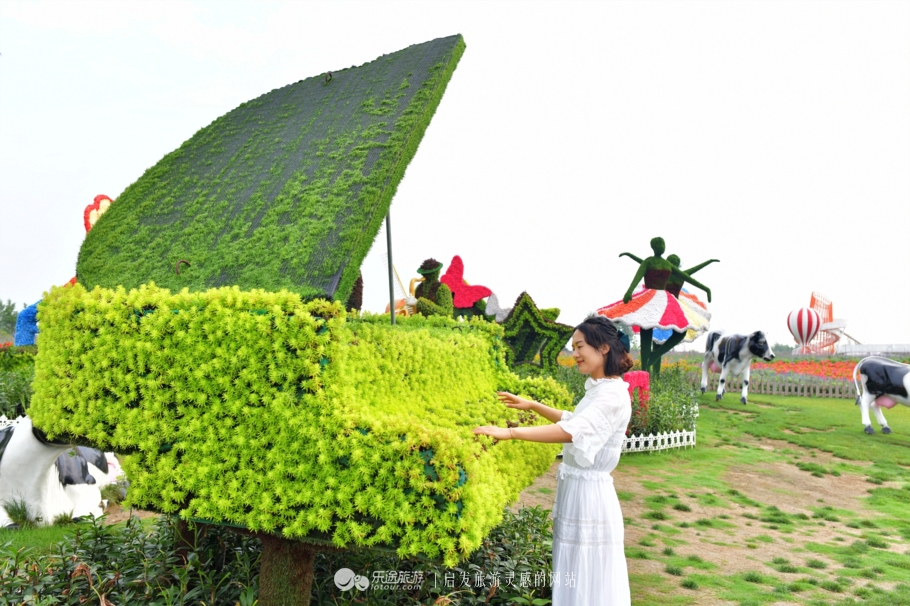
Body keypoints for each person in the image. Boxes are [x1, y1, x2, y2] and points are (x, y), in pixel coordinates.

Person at [473, 315, 634, 605]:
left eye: (580, 346)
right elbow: (576, 420)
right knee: (575, 567)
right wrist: (533, 405)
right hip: (580, 490)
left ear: (604, 348)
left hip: (590, 497)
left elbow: (572, 431)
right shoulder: (602, 388)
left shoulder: (611, 395)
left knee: (586, 571)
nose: (575, 354)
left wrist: (510, 434)